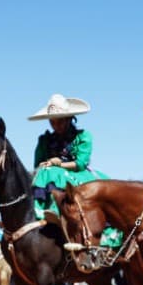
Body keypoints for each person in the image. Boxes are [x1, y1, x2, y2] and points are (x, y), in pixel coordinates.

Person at [28, 94, 107, 223]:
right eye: (52, 121)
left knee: (54, 172)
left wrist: (59, 165)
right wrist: (47, 164)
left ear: (69, 119)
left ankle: (57, 209)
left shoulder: (83, 136)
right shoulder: (44, 140)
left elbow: (81, 163)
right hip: (48, 176)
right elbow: (38, 165)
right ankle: (36, 210)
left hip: (79, 175)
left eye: (59, 121)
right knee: (46, 172)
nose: (55, 125)